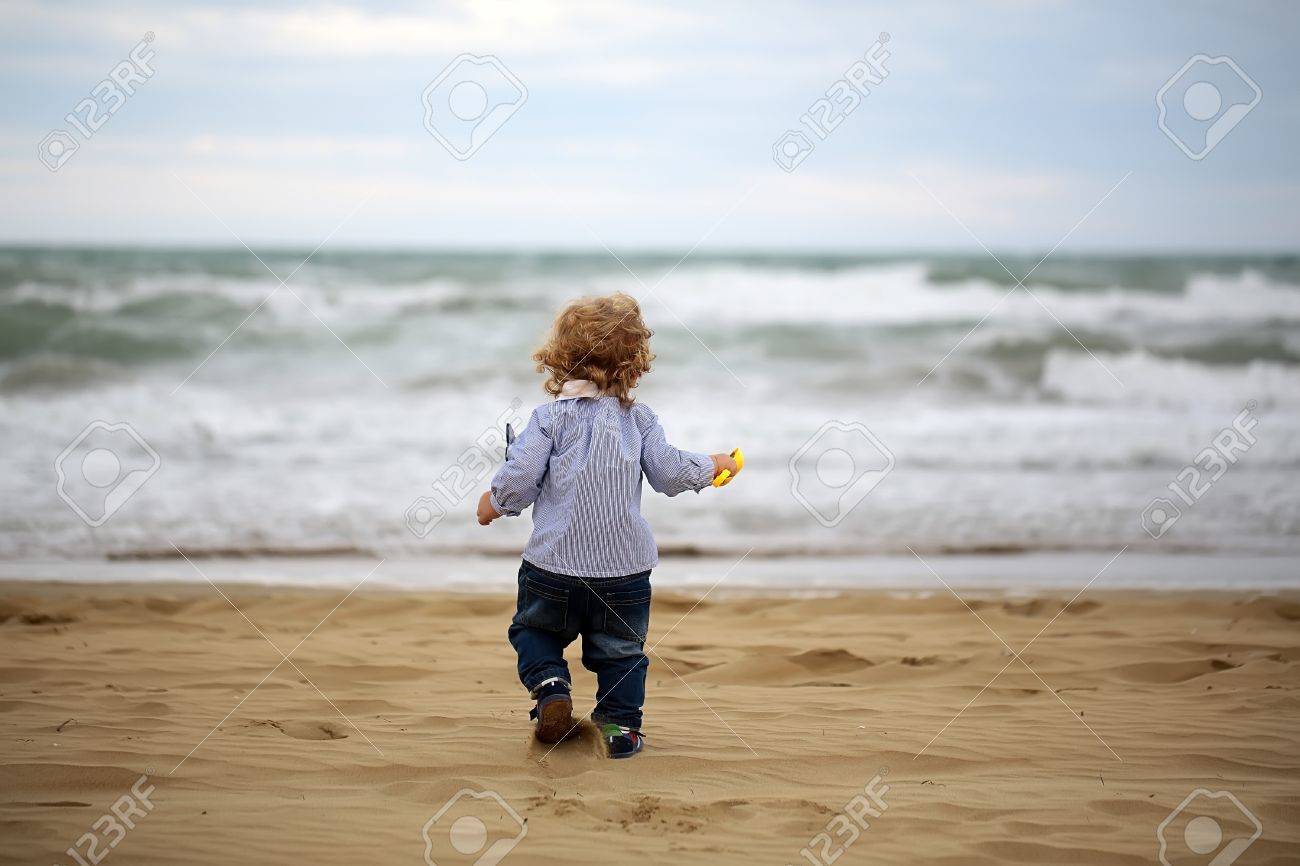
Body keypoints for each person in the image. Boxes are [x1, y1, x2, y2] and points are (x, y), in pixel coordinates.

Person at [476, 292, 738, 759]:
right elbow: (669, 472)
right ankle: (619, 727)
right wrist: (711, 465)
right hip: (624, 573)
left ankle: (551, 687)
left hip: (553, 567)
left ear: (558, 358)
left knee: (534, 632)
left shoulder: (548, 419)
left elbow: (520, 480)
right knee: (621, 654)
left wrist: (494, 503)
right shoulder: (639, 420)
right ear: (635, 363)